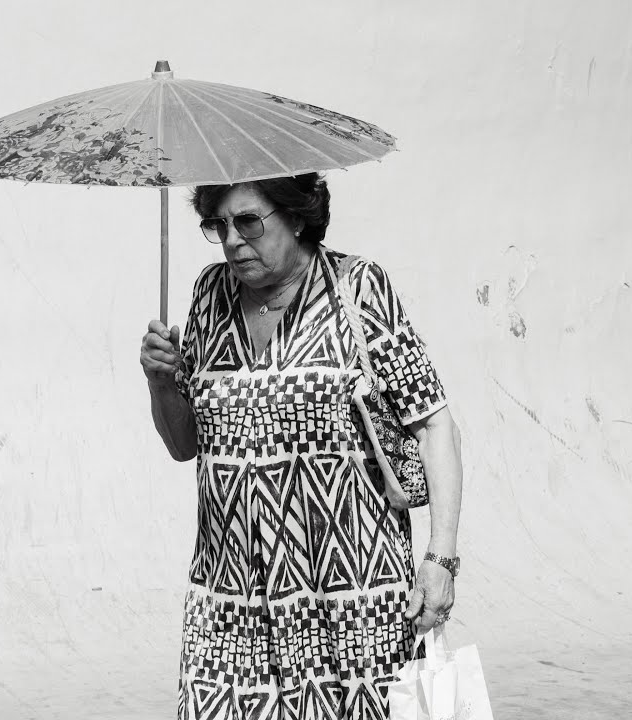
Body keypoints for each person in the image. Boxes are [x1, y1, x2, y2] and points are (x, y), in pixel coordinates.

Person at [138, 173, 463, 720]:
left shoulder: (357, 287)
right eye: (218, 225)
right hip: (232, 593)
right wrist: (160, 383)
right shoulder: (210, 294)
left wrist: (441, 557)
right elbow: (183, 444)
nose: (232, 241)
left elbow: (435, 425)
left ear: (295, 216)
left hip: (351, 596)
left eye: (248, 222)